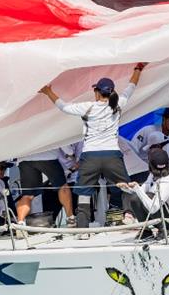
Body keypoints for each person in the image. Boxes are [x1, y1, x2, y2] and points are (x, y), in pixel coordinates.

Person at [39, 63, 147, 232]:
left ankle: (83, 231)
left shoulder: (87, 107)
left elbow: (64, 107)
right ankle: (131, 216)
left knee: (84, 192)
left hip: (90, 157)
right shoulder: (118, 105)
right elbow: (131, 86)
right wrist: (138, 69)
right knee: (127, 185)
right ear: (111, 92)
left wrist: (48, 92)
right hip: (112, 155)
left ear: (97, 92)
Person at [117, 148, 169, 241]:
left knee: (149, 196)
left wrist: (137, 188)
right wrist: (127, 189)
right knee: (134, 198)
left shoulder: (168, 182)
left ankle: (164, 230)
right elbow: (141, 191)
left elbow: (153, 208)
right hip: (159, 214)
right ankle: (146, 231)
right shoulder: (152, 176)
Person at [15, 149, 74, 227]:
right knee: (62, 187)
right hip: (47, 154)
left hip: (24, 157)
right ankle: (70, 219)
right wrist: (70, 152)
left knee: (27, 195)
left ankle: (20, 223)